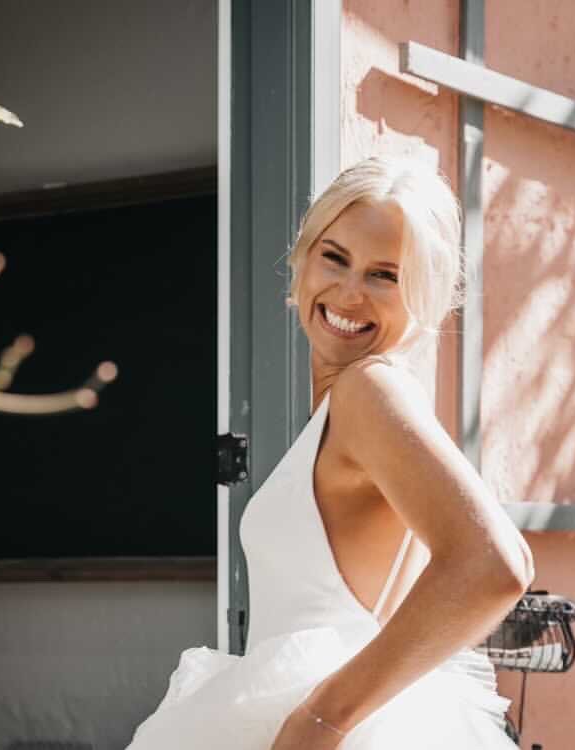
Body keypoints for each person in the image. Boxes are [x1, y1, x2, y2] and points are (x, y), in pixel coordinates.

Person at [126, 156, 534, 749]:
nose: (348, 293)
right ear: (303, 256)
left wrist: (324, 719)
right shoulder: (354, 402)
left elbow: (494, 564)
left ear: (425, 292)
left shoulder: (369, 390)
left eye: (385, 275)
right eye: (335, 258)